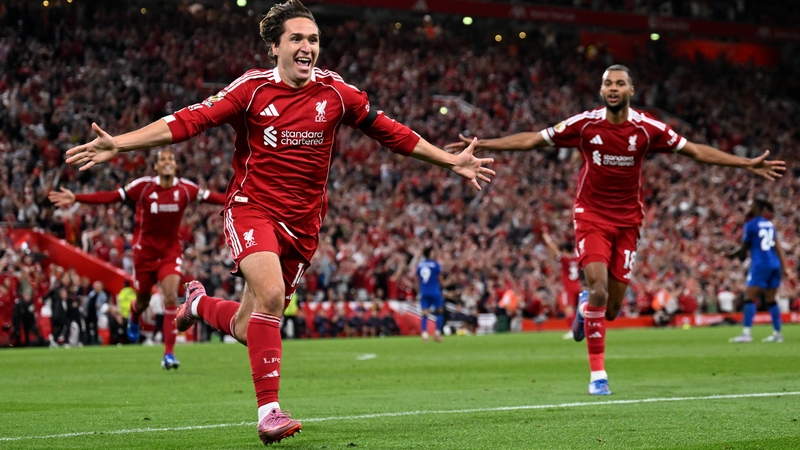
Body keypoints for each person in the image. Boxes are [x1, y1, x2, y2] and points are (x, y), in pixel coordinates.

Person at [64, 0, 493, 444]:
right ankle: (269, 412)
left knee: (250, 327)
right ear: (274, 47)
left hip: (304, 225)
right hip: (252, 208)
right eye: (297, 39)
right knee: (272, 295)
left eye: (313, 40)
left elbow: (392, 132)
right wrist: (121, 144)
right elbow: (189, 120)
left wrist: (450, 161)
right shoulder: (250, 90)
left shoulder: (337, 94)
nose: (307, 47)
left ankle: (197, 305)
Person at [447, 64, 785, 395]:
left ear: (630, 90)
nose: (612, 88)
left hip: (628, 223)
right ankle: (598, 376)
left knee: (609, 309)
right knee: (598, 290)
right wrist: (485, 144)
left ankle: (584, 308)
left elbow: (695, 152)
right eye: (608, 83)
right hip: (591, 216)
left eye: (619, 83)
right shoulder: (585, 124)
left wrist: (745, 163)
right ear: (602, 90)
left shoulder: (647, 129)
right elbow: (535, 140)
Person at [49, 149, 225, 369]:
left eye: (171, 158)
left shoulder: (185, 189)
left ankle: (168, 355)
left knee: (170, 297)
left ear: (175, 165)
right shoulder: (143, 187)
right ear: (157, 167)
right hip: (144, 255)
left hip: (170, 253)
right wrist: (77, 197)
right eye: (163, 159)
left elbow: (216, 197)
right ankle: (134, 315)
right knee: (142, 301)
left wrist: (246, 199)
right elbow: (112, 196)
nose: (168, 161)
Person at [725, 198, 792, 343]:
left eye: (751, 205)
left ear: (757, 208)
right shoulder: (769, 224)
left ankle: (746, 333)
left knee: (749, 297)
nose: (749, 207)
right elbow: (778, 248)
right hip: (774, 264)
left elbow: (743, 249)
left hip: (761, 264)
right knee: (771, 300)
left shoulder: (750, 225)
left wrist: (729, 254)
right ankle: (777, 333)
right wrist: (785, 267)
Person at [542, 232, 582, 339]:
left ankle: (574, 331)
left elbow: (555, 251)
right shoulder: (577, 259)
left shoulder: (565, 259)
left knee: (568, 309)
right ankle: (584, 328)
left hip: (568, 287)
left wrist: (547, 239)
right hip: (578, 285)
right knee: (580, 309)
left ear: (565, 251)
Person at [415, 246, 444, 343]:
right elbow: (441, 280)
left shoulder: (420, 265)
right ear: (429, 254)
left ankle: (424, 335)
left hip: (424, 292)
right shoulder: (436, 264)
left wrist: (418, 290)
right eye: (432, 252)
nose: (434, 254)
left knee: (424, 313)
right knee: (439, 311)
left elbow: (417, 279)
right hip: (435, 291)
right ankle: (437, 333)